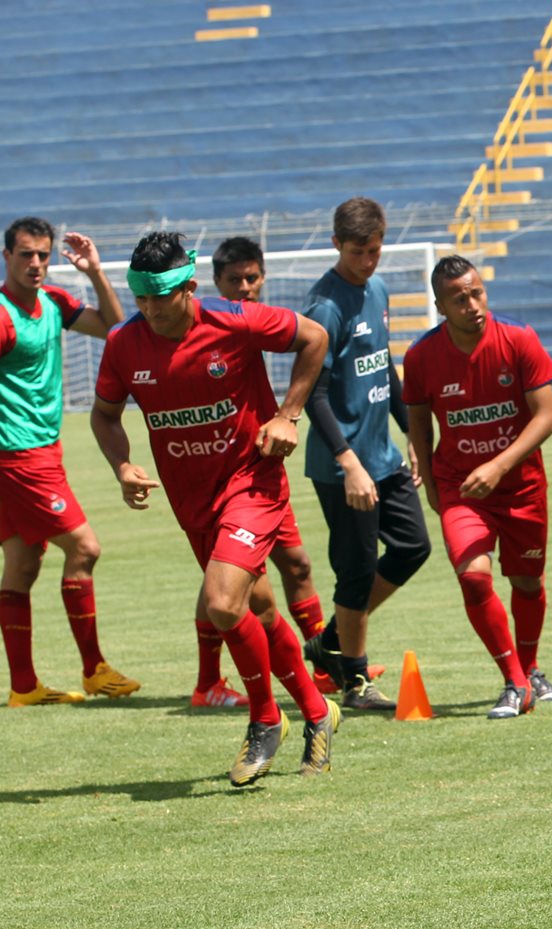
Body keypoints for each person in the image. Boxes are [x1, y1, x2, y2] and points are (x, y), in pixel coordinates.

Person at [90, 231, 338, 786]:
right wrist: (122, 465)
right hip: (192, 500)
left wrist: (287, 414)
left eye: (160, 297)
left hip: (252, 482)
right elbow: (105, 415)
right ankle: (319, 713)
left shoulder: (234, 320)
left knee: (222, 605)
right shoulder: (124, 344)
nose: (150, 309)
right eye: (142, 298)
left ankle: (264, 718)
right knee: (263, 610)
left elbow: (315, 337)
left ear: (189, 288)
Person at [0, 216, 140, 707]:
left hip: (43, 453)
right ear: (7, 257)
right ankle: (94, 669)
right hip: (17, 458)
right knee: (85, 549)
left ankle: (24, 686)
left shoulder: (53, 301)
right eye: (26, 254)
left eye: (43, 256)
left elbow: (115, 326)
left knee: (22, 567)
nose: (36, 264)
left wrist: (94, 271)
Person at [187, 236, 380, 707]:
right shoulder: (207, 326)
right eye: (235, 281)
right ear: (215, 284)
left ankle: (323, 664)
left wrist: (284, 415)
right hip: (218, 478)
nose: (246, 288)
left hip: (259, 471)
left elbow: (309, 341)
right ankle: (208, 681)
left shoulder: (253, 323)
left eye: (253, 278)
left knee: (298, 564)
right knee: (241, 591)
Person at [403, 256, 552, 719]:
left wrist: (499, 465)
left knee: (527, 581)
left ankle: (531, 669)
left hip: (521, 487)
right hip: (461, 488)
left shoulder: (518, 339)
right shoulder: (420, 357)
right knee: (473, 576)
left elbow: (547, 416)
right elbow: (418, 420)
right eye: (459, 299)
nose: (473, 304)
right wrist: (431, 478)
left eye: (477, 293)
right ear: (440, 306)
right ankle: (514, 681)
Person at [300, 196, 431, 710]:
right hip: (343, 468)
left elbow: (384, 372)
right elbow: (313, 393)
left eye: (375, 250)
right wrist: (347, 461)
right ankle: (353, 680)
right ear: (336, 245)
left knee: (412, 547)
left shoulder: (377, 289)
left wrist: (413, 437)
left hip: (383, 456)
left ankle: (331, 639)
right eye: (358, 252)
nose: (368, 261)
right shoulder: (324, 308)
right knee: (354, 571)